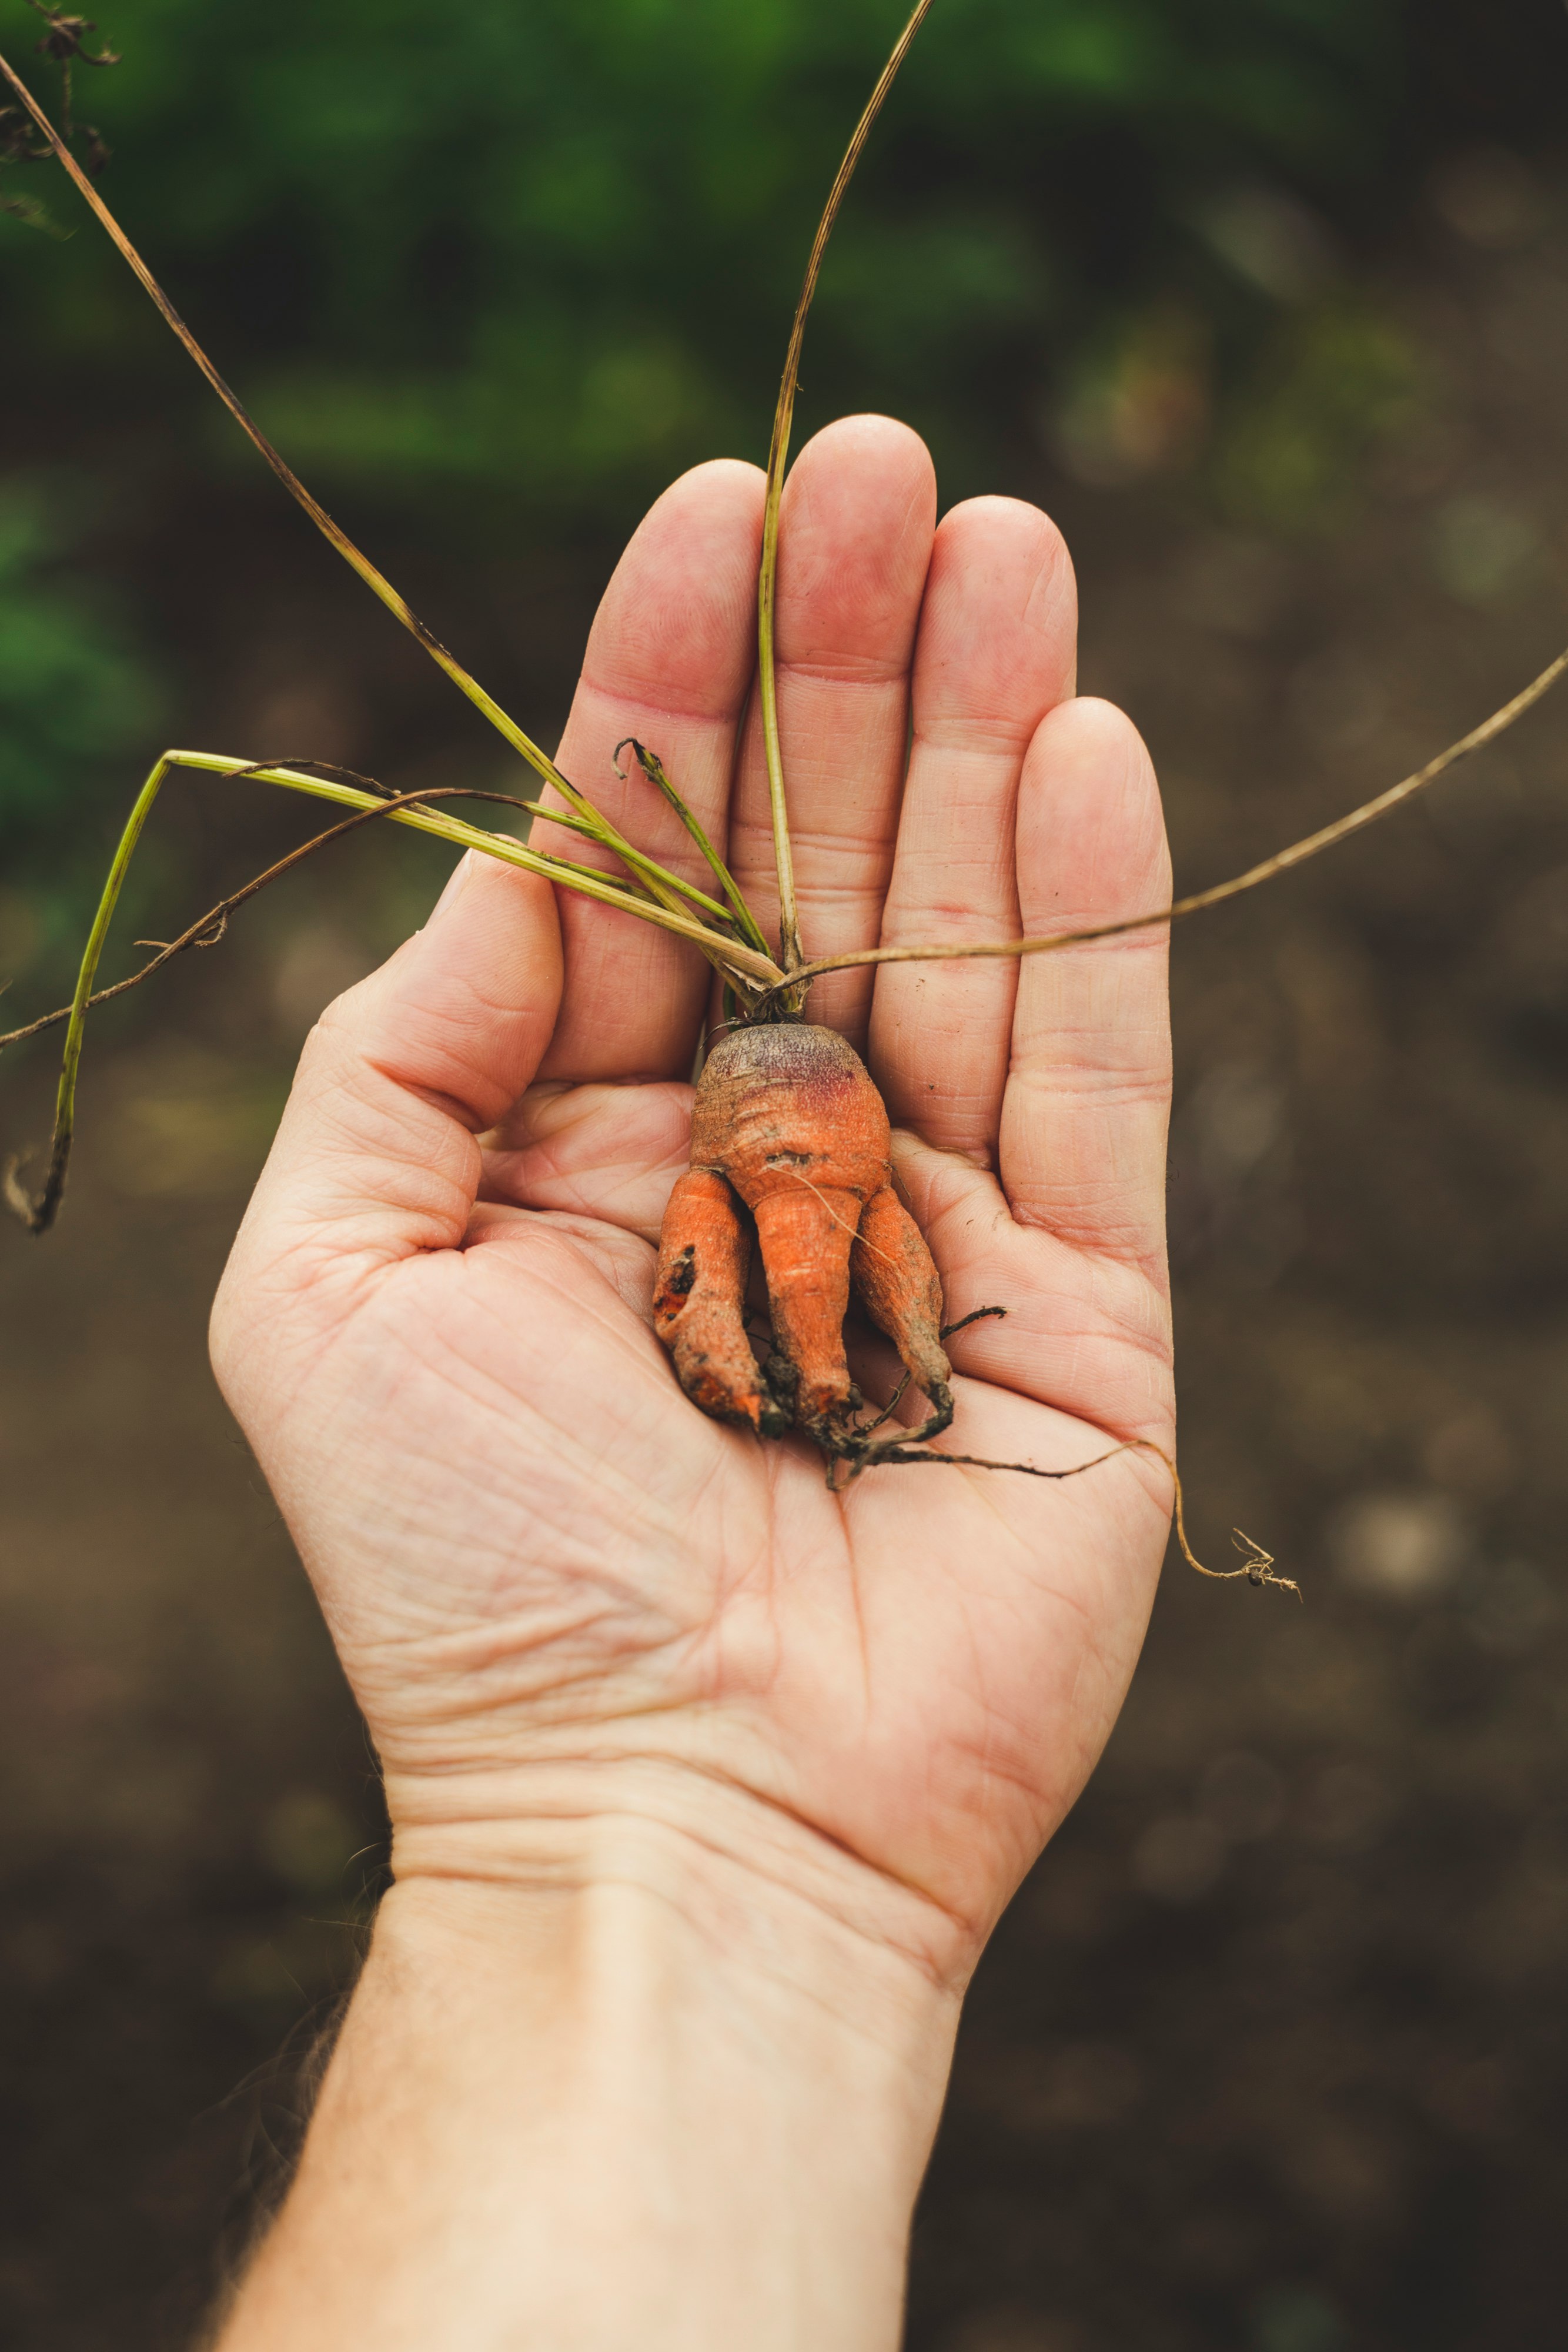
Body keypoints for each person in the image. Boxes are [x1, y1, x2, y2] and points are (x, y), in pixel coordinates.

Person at [207, 413, 1175, 2350]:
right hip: (772, 1105)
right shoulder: (741, 1122)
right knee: (804, 1257)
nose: (829, 1267)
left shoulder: (819, 1127)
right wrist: (645, 1809)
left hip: (800, 1106)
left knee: (822, 1246)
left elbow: (808, 1225)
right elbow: (743, 1241)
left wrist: (619, 1833)